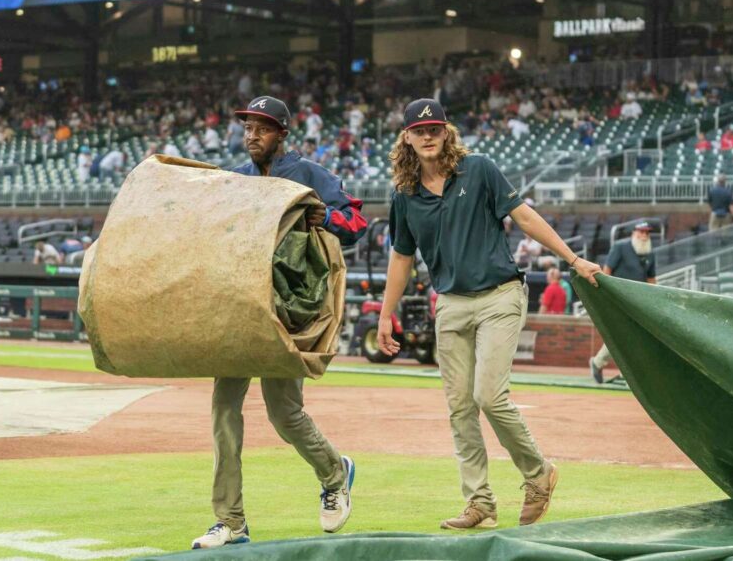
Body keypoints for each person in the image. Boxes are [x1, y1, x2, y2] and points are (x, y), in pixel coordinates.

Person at [378, 98, 602, 531]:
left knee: (488, 397)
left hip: (500, 295)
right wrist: (387, 314)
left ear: (447, 133)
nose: (428, 136)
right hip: (451, 304)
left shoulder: (478, 169)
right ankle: (479, 502)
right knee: (459, 407)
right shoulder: (403, 195)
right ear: (406, 137)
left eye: (435, 128)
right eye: (419, 130)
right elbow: (401, 257)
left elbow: (525, 218)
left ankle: (538, 473)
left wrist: (574, 260)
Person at [192, 95, 368, 550]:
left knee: (283, 412)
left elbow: (357, 221)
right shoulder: (238, 179)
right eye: (248, 127)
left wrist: (325, 216)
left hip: (289, 307)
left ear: (282, 134)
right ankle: (231, 521)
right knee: (224, 410)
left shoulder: (309, 174)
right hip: (242, 306)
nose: (252, 135)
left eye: (263, 128)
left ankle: (334, 474)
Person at [590, 221, 655, 383]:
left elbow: (651, 278)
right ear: (634, 233)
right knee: (621, 334)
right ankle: (608, 366)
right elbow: (607, 270)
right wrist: (605, 293)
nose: (644, 235)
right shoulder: (621, 247)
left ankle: (601, 363)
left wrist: (653, 300)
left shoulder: (649, 253)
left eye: (647, 233)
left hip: (638, 301)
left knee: (627, 336)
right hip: (618, 298)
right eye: (641, 232)